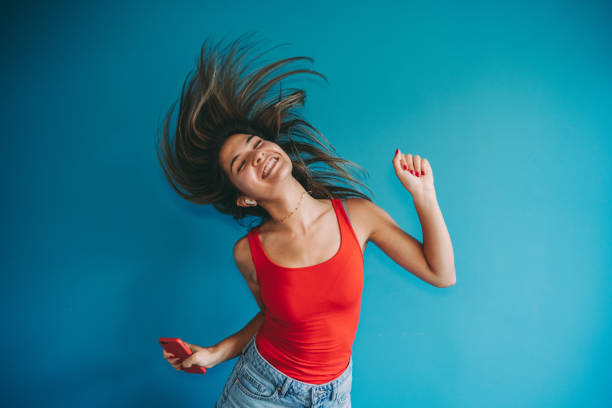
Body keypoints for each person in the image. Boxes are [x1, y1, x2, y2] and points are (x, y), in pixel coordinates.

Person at [156, 32, 456, 407]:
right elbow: (270, 318)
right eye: (240, 164)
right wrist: (215, 353)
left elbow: (441, 274)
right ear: (244, 197)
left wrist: (424, 197)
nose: (257, 155)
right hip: (260, 390)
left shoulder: (357, 216)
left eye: (255, 143)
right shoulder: (249, 252)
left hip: (334, 394)